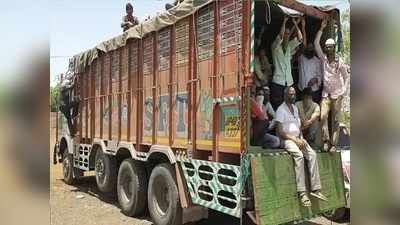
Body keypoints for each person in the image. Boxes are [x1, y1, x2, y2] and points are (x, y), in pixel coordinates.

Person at [276, 86, 327, 207]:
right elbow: (280, 131)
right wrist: (294, 139)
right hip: (287, 140)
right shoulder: (280, 110)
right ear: (285, 95)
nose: (292, 96)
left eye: (293, 94)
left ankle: (316, 190)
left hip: (298, 138)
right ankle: (302, 193)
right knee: (299, 156)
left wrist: (301, 139)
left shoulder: (294, 108)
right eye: (290, 94)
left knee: (312, 155)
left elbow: (298, 127)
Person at [314, 19, 350, 151]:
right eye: (327, 47)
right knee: (323, 116)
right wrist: (321, 28)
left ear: (334, 47)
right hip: (326, 94)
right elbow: (315, 43)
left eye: (331, 46)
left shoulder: (339, 61)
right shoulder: (323, 59)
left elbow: (346, 76)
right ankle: (325, 140)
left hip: (337, 94)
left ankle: (334, 144)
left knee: (335, 120)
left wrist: (344, 92)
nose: (328, 48)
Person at [270, 17, 303, 110]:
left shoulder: (289, 46)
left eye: (288, 34)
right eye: (285, 33)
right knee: (278, 108)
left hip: (289, 83)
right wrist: (284, 21)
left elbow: (300, 39)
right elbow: (280, 37)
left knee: (290, 107)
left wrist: (295, 24)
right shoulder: (274, 46)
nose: (286, 36)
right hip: (278, 83)